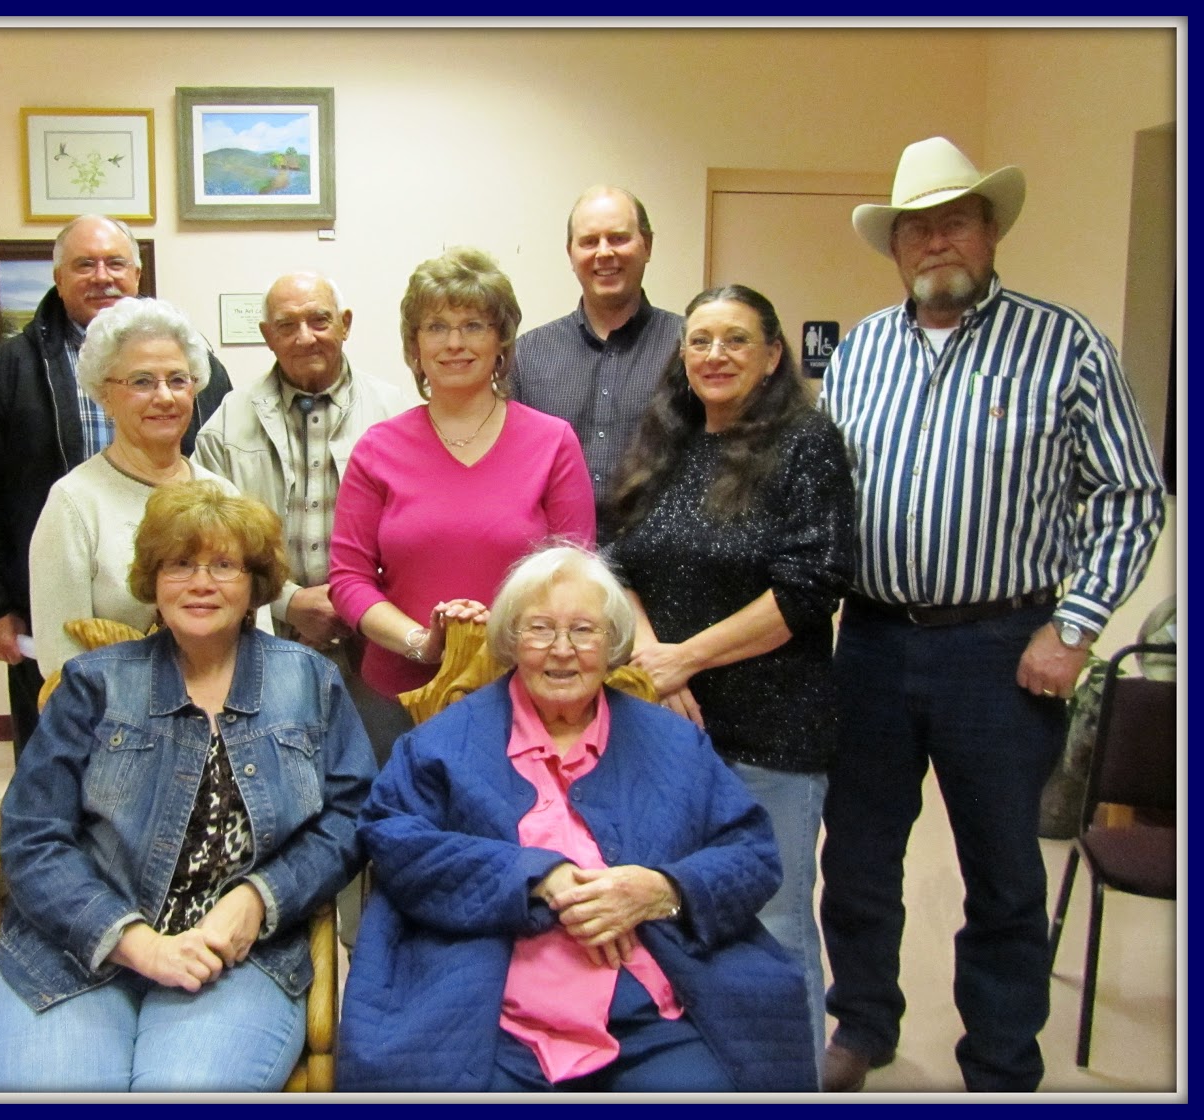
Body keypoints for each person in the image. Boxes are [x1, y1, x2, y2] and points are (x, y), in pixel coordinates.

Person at [817, 137, 1166, 1093]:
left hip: (1004, 648)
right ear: (894, 247)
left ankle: (1002, 1062)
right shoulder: (859, 354)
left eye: (954, 221)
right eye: (916, 229)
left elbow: (1130, 497)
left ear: (992, 228)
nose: (936, 242)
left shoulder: (1070, 346)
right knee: (856, 857)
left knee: (1005, 873)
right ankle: (863, 1022)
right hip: (875, 643)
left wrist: (1078, 625)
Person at [336, 545, 815, 1092]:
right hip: (492, 1018)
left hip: (654, 1012)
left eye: (584, 631)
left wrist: (661, 888)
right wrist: (539, 877)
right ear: (512, 639)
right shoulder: (441, 746)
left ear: (611, 644)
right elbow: (394, 840)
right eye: (540, 629)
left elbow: (752, 853)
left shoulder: (674, 743)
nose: (562, 651)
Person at [0, 481, 375, 1091]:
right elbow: (32, 837)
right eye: (180, 564)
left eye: (224, 565)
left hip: (236, 956)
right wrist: (132, 942)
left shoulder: (310, 682)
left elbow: (351, 816)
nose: (200, 582)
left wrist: (260, 899)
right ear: (153, 583)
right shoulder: (94, 683)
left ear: (254, 587)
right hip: (76, 947)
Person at [606, 284, 856, 1078]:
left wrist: (689, 657)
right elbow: (615, 564)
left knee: (774, 920)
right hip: (663, 728)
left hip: (771, 727)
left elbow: (810, 585)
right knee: (673, 915)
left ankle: (791, 1084)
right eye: (701, 340)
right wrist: (652, 657)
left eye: (737, 340)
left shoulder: (806, 443)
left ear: (773, 355)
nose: (715, 355)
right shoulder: (666, 441)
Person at [0, 214, 229, 758]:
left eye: (115, 263)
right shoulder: (7, 373)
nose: (164, 396)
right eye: (85, 264)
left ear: (137, 273)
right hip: (59, 611)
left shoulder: (194, 367)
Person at [328, 247, 596, 699]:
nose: (454, 343)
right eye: (436, 327)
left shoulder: (553, 443)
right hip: (399, 697)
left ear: (501, 342)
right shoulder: (377, 449)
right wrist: (422, 643)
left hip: (523, 688)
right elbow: (348, 580)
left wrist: (503, 638)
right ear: (415, 347)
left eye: (473, 325)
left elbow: (575, 574)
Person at [192, 271, 411, 666]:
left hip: (371, 645)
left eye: (319, 320)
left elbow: (413, 537)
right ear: (267, 335)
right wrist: (288, 602)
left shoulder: (394, 414)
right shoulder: (227, 423)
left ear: (345, 324)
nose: (305, 336)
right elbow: (204, 543)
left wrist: (352, 601)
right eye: (287, 325)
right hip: (259, 644)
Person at [28, 296, 253, 681]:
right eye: (142, 381)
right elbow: (60, 665)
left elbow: (255, 633)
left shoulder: (224, 495)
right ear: (105, 395)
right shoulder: (74, 503)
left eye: (178, 380)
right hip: (117, 725)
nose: (164, 397)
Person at [508, 186, 685, 529]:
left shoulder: (688, 348)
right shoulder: (527, 355)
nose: (604, 253)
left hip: (660, 568)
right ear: (570, 253)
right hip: (557, 566)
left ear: (647, 245)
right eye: (589, 242)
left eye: (618, 238)